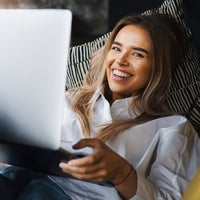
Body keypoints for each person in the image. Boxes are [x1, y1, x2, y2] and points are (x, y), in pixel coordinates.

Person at [0, 13, 200, 200]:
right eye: (116, 48)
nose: (120, 61)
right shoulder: (71, 98)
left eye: (138, 54)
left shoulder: (174, 128)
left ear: (159, 67)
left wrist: (121, 172)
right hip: (17, 179)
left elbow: (170, 197)